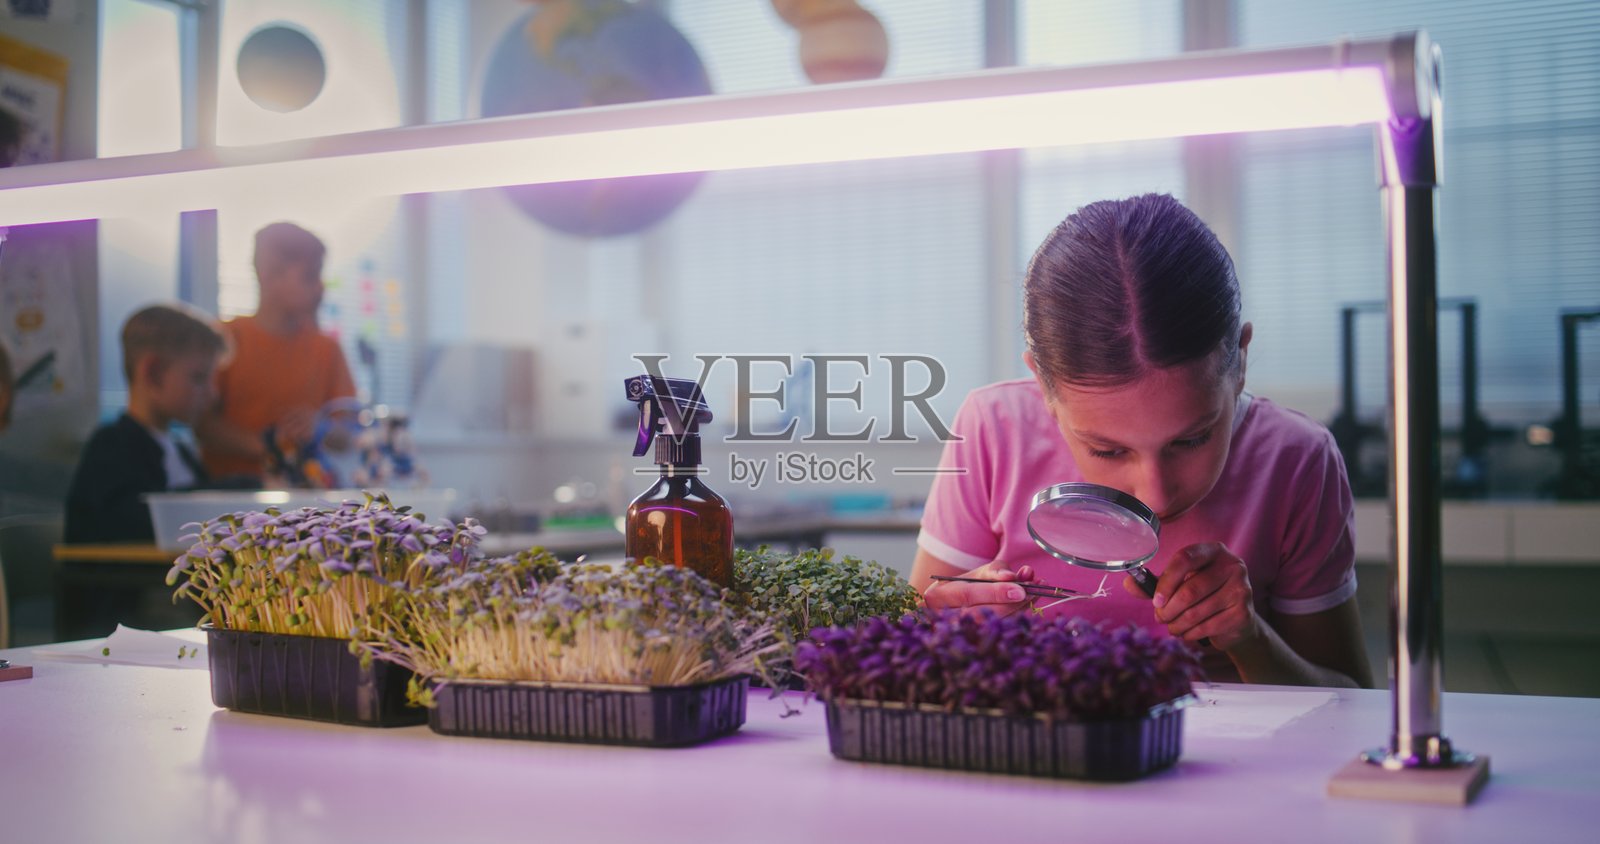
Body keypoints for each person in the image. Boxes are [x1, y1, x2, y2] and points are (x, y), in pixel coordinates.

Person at [912, 193, 1373, 689]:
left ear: (1239, 361)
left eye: (1192, 440)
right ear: (1044, 388)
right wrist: (940, 627)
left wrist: (1248, 637)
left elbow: (1350, 701)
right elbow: (908, 638)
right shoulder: (991, 427)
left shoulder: (1296, 458)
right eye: (1108, 451)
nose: (1154, 495)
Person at [195, 222, 356, 480]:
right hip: (231, 497)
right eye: (310, 275)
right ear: (269, 275)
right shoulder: (225, 338)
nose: (320, 288)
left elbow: (348, 434)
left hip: (305, 503)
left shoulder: (327, 349)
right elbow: (202, 423)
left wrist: (321, 427)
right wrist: (272, 447)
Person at [64, 304, 227, 543]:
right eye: (199, 378)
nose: (212, 394)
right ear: (153, 374)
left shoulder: (183, 452)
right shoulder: (112, 447)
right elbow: (126, 526)